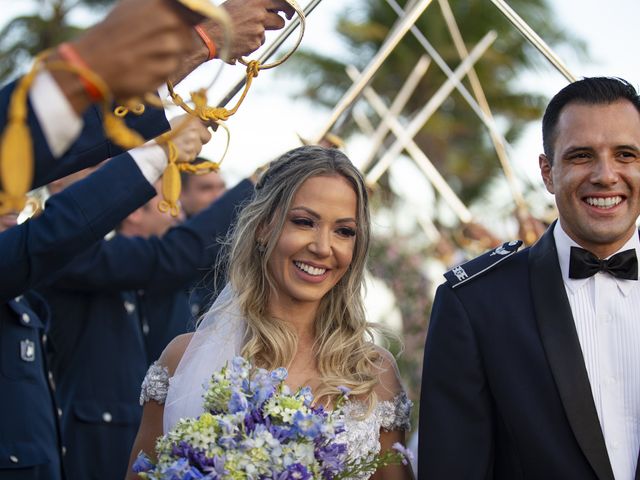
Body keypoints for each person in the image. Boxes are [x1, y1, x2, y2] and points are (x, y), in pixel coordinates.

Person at [127, 146, 415, 480]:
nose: (323, 247)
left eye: (344, 231)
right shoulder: (181, 361)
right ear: (264, 227)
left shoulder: (374, 374)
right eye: (304, 222)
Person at [418, 77, 640, 480]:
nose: (606, 175)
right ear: (548, 172)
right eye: (581, 156)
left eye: (626, 154)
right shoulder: (474, 303)